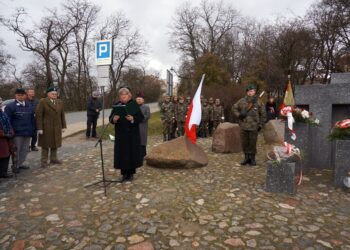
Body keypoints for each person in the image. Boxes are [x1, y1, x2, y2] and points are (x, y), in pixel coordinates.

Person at [109, 87, 144, 182]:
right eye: (121, 96)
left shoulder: (133, 105)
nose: (123, 98)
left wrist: (133, 118)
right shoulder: (117, 105)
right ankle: (124, 174)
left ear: (129, 96)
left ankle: (131, 173)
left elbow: (141, 118)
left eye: (125, 96)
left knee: (131, 153)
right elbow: (110, 119)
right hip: (121, 134)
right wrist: (114, 119)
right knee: (122, 154)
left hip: (131, 134)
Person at [233, 84, 266, 166]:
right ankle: (246, 158)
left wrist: (261, 125)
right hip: (243, 126)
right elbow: (234, 108)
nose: (251, 92)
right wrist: (239, 115)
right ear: (247, 92)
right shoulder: (242, 101)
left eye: (253, 91)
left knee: (252, 143)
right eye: (250, 91)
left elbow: (263, 114)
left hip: (254, 126)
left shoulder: (258, 101)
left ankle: (252, 159)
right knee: (244, 143)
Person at [36, 86, 67, 168]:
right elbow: (39, 115)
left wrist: (63, 126)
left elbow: (62, 115)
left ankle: (53, 158)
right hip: (46, 127)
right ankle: (44, 161)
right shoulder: (43, 101)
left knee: (55, 143)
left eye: (55, 94)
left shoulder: (60, 102)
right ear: (48, 94)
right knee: (45, 145)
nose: (54, 95)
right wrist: (39, 128)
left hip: (57, 126)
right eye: (52, 94)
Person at [5, 88, 35, 171]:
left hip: (27, 132)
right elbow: (7, 121)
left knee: (25, 150)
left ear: (25, 95)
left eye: (22, 95)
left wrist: (33, 129)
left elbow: (32, 119)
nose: (20, 97)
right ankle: (15, 166)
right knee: (16, 151)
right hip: (17, 133)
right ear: (15, 95)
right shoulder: (10, 106)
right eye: (18, 95)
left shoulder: (29, 105)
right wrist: (9, 132)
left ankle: (20, 163)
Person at [0, 98, 15, 178]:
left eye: (0, 103)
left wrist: (11, 132)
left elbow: (8, 124)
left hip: (6, 140)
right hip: (2, 138)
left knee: (6, 156)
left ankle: (3, 172)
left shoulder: (3, 113)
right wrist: (4, 133)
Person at [136, 92, 150, 162]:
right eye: (137, 99)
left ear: (143, 100)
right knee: (136, 141)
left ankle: (143, 155)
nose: (138, 100)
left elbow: (147, 116)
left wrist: (138, 119)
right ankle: (136, 155)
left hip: (142, 126)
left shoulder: (146, 107)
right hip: (135, 126)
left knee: (142, 141)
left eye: (140, 99)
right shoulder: (134, 107)